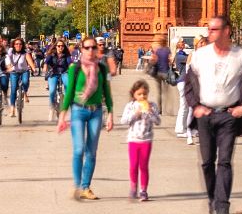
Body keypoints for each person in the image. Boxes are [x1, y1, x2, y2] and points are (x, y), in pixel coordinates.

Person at [184, 15, 242, 214]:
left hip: (228, 115)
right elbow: (189, 85)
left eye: (214, 29)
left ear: (227, 31)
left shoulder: (241, 56)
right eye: (209, 29)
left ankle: (223, 205)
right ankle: (212, 198)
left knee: (224, 162)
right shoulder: (200, 55)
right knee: (207, 162)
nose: (210, 33)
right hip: (205, 115)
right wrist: (195, 106)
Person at [57, 38, 114, 201]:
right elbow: (68, 94)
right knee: (79, 149)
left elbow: (107, 92)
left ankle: (85, 187)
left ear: (97, 49)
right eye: (87, 47)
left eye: (93, 47)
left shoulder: (102, 69)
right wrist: (62, 116)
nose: (90, 50)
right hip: (78, 111)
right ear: (81, 49)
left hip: (96, 111)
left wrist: (110, 113)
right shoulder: (75, 68)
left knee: (91, 151)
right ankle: (77, 185)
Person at [120, 79, 161, 201]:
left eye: (144, 94)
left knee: (143, 166)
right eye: (139, 94)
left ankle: (143, 190)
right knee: (133, 165)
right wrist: (135, 114)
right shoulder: (130, 106)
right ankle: (133, 187)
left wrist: (150, 113)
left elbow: (158, 121)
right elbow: (123, 121)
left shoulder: (152, 106)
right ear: (134, 94)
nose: (142, 96)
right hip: (133, 139)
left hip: (146, 140)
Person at [174, 36, 205, 146]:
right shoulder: (191, 55)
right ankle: (188, 133)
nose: (203, 45)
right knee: (190, 109)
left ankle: (198, 132)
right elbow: (188, 71)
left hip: (203, 86)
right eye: (201, 43)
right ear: (196, 44)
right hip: (191, 85)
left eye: (204, 43)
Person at [5, 39, 36, 118]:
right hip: (14, 72)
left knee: (25, 82)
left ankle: (25, 93)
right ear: (14, 45)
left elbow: (30, 61)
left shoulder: (25, 53)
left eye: (20, 44)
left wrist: (33, 68)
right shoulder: (10, 52)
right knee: (13, 89)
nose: (18, 45)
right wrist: (8, 67)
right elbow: (7, 59)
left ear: (22, 45)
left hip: (24, 71)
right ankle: (12, 109)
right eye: (16, 44)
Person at [44, 41, 72, 122]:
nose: (60, 47)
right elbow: (46, 62)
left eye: (62, 46)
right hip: (53, 73)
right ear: (55, 46)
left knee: (68, 85)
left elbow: (70, 63)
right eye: (59, 46)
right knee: (52, 91)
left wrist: (72, 68)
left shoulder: (66, 55)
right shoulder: (51, 54)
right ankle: (52, 108)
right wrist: (45, 67)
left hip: (64, 73)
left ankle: (67, 105)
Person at [151, 40, 172, 109]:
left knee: (159, 92)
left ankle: (160, 109)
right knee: (166, 92)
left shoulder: (158, 51)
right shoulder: (168, 50)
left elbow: (154, 61)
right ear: (165, 43)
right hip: (165, 73)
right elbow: (170, 61)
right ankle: (167, 108)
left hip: (158, 74)